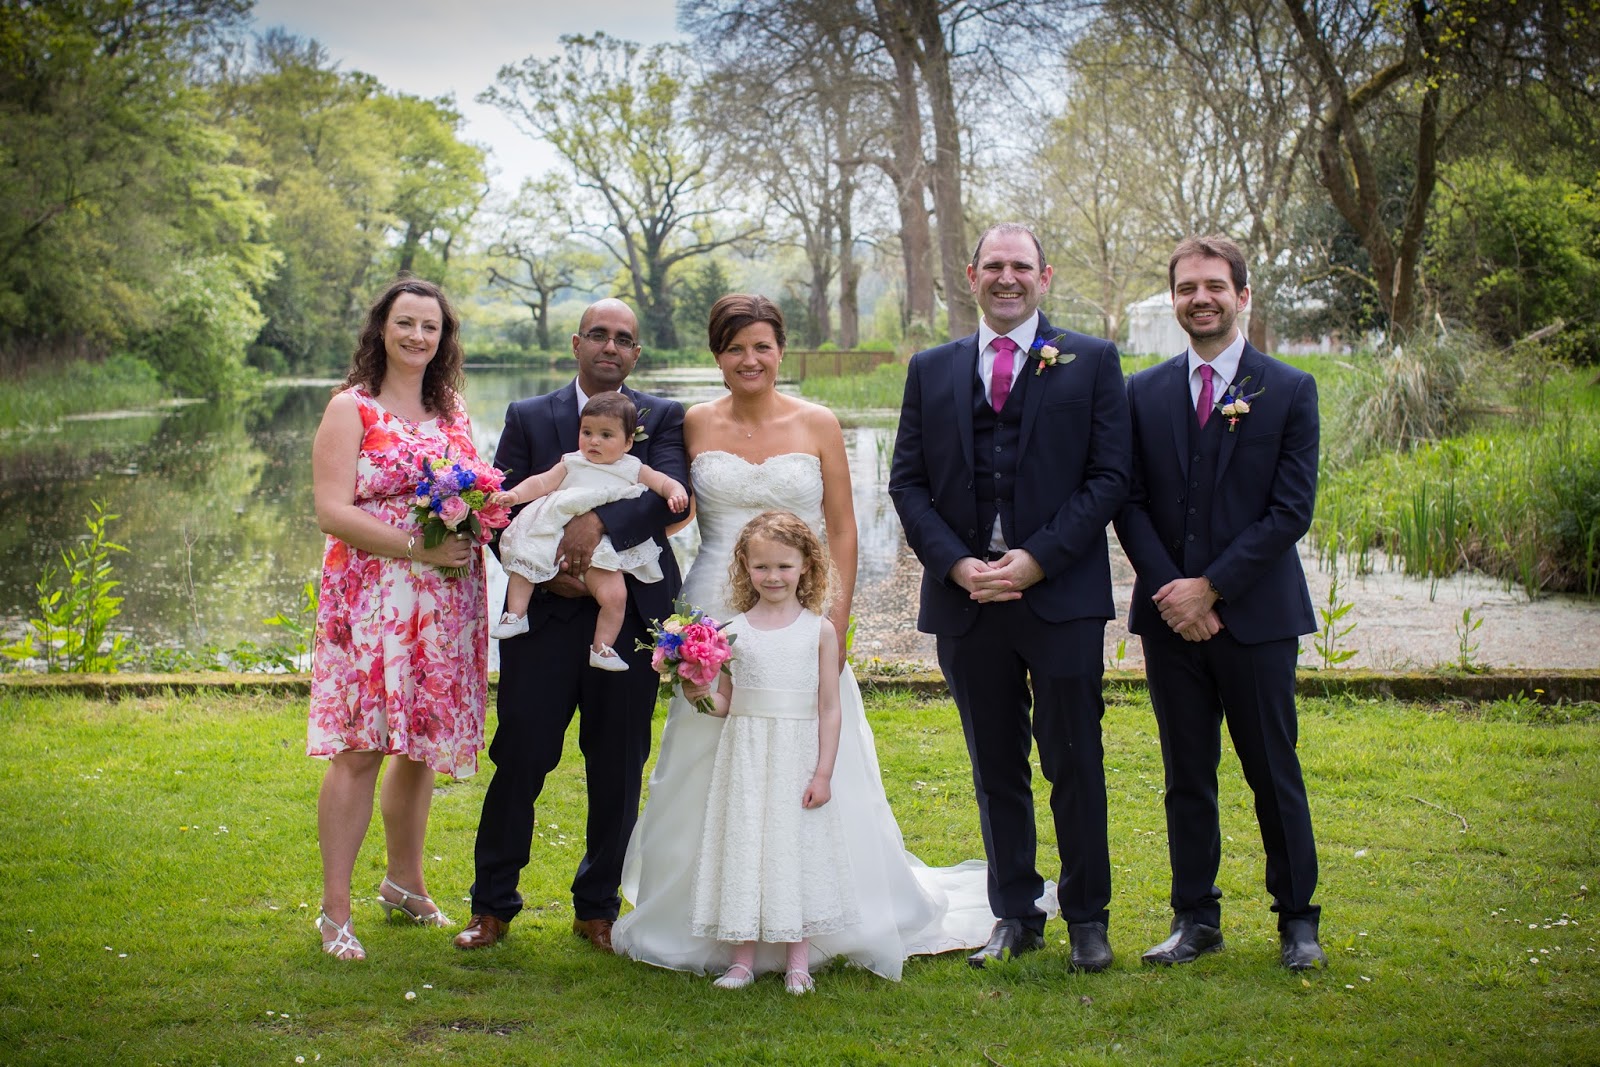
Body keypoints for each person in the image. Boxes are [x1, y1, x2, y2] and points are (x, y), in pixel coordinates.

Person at [614, 294, 1020, 982]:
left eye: (762, 346)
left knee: (808, 748)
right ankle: (703, 914)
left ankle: (818, 915)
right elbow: (673, 511)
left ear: (781, 350)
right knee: (707, 754)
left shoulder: (819, 421)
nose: (749, 360)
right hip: (714, 611)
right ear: (717, 355)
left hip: (802, 611)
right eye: (735, 347)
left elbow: (841, 528)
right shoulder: (692, 421)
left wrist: (835, 616)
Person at [888, 223, 1131, 973]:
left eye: (1020, 266)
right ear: (971, 276)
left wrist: (1038, 560)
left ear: (1044, 277)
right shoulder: (931, 368)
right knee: (995, 765)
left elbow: (1109, 477)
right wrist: (956, 565)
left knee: (1074, 759)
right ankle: (1016, 914)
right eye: (993, 265)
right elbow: (908, 483)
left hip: (1060, 598)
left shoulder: (1092, 360)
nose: (1006, 277)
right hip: (967, 602)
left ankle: (1087, 917)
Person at [1112, 235, 1326, 970]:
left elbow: (1290, 510)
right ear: (1175, 299)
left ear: (1242, 296)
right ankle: (1195, 918)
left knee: (1273, 770)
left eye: (1213, 286)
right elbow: (1128, 500)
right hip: (1170, 619)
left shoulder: (1289, 390)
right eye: (1186, 288)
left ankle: (1298, 919)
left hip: (1257, 618)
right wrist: (1175, 593)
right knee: (1186, 774)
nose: (1199, 299)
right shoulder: (1141, 393)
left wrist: (1213, 587)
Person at [454, 298, 689, 953]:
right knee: (520, 756)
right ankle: (491, 905)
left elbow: (668, 500)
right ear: (577, 343)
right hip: (546, 614)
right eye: (599, 335)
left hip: (629, 614)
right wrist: (549, 568)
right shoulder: (530, 416)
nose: (611, 346)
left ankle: (598, 909)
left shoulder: (663, 416)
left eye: (624, 338)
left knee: (617, 765)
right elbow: (500, 507)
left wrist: (596, 524)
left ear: (636, 352)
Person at [306, 277, 488, 960]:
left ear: (444, 338)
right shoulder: (350, 407)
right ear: (382, 328)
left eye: (430, 326)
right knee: (361, 747)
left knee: (420, 744)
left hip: (443, 603)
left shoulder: (452, 411)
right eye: (405, 323)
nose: (417, 336)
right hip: (372, 597)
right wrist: (419, 546)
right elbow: (332, 510)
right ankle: (335, 911)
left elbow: (476, 489)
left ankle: (404, 883)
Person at [683, 511, 852, 995]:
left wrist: (823, 773)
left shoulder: (819, 631)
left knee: (792, 847)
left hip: (796, 756)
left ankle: (798, 962)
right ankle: (742, 961)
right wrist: (698, 693)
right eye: (761, 567)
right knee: (746, 845)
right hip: (746, 758)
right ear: (745, 567)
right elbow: (726, 703)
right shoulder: (731, 631)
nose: (772, 576)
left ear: (806, 566)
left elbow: (829, 707)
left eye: (784, 566)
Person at [488, 390, 689, 671]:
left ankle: (602, 647)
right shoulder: (571, 461)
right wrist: (515, 495)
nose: (594, 441)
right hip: (553, 529)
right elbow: (540, 483)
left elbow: (664, 482)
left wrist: (676, 491)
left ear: (628, 442)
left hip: (604, 548)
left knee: (615, 596)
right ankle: (516, 614)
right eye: (587, 432)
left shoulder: (633, 467)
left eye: (606, 435)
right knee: (527, 558)